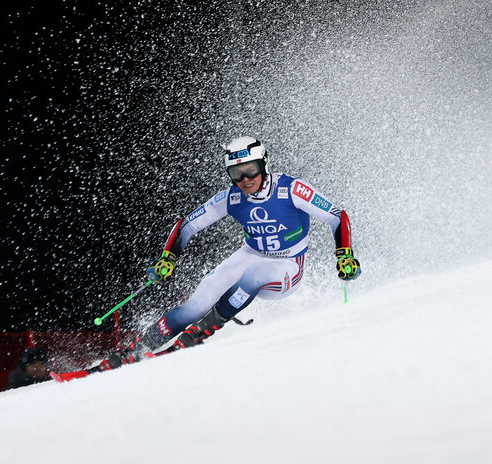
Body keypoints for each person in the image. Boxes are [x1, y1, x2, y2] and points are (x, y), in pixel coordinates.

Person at [93, 136, 360, 370]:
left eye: (251, 171)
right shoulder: (231, 198)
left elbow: (337, 216)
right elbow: (186, 225)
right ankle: (135, 349)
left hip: (288, 264)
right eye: (236, 174)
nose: (245, 180)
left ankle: (199, 333)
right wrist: (168, 258)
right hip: (250, 253)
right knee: (197, 302)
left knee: (253, 275)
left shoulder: (291, 189)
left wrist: (344, 254)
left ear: (264, 165)